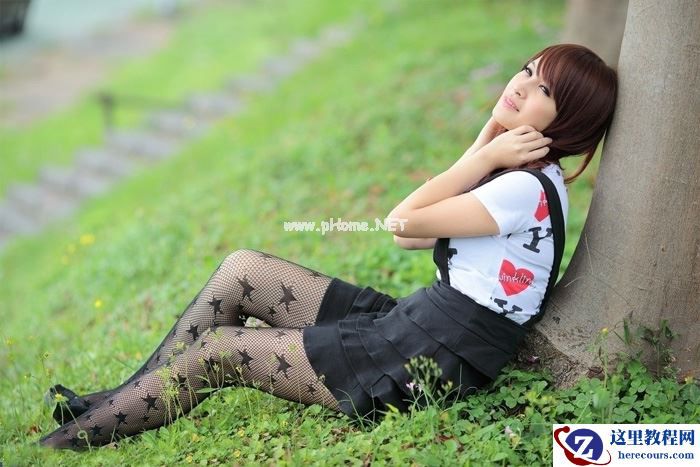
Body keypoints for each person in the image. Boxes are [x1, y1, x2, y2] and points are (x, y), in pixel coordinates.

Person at [39, 43, 617, 449]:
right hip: (424, 326)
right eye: (525, 70)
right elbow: (419, 239)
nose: (520, 85)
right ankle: (112, 402)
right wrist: (488, 141)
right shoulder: (527, 178)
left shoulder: (521, 187)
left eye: (543, 89)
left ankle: (65, 442)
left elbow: (401, 224)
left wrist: (485, 153)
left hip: (429, 356)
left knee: (219, 351)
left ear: (567, 121)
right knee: (243, 271)